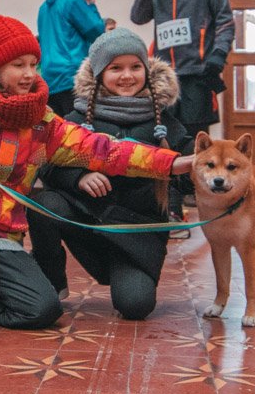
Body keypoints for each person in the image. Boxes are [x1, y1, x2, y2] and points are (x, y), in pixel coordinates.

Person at [0, 0, 193, 330]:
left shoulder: (42, 123)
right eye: (19, 65)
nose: (30, 74)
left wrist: (173, 164)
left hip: (0, 237)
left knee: (42, 310)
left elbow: (104, 149)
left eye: (34, 63)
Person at [29, 28, 191, 320]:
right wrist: (78, 177)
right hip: (87, 222)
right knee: (44, 204)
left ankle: (126, 277)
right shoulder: (78, 118)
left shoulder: (164, 122)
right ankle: (51, 277)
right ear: (99, 74)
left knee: (135, 306)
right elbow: (45, 161)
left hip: (134, 237)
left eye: (135, 67)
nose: (127, 75)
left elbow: (192, 168)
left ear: (147, 70)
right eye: (115, 68)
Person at [130, 0, 235, 140]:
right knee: (165, 137)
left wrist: (218, 54)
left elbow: (225, 19)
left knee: (195, 139)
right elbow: (138, 16)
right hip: (165, 78)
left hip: (197, 74)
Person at [37, 0, 106, 116]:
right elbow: (98, 33)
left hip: (49, 80)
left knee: (58, 134)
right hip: (72, 78)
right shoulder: (74, 1)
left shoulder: (44, 7)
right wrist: (91, 6)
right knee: (78, 135)